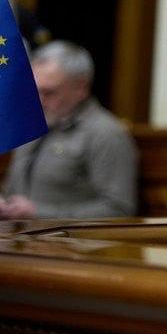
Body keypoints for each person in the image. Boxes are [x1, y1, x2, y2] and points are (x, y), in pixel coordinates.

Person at [1, 41, 138, 219]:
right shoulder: (32, 124)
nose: (39, 101)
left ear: (80, 88)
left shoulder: (106, 134)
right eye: (34, 91)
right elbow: (14, 190)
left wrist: (38, 213)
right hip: (19, 234)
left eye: (49, 93)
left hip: (69, 237)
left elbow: (119, 209)